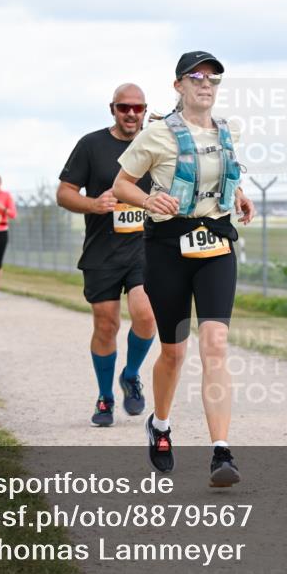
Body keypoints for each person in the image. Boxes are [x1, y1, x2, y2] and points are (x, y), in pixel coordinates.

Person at [113, 52, 255, 486]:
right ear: (179, 86)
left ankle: (221, 452)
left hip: (215, 243)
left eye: (213, 78)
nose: (206, 84)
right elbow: (120, 185)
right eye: (197, 77)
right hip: (167, 247)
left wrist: (241, 194)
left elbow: (217, 175)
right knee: (174, 351)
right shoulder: (157, 135)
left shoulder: (226, 131)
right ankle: (160, 424)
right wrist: (146, 199)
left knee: (214, 342)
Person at [58, 83, 157, 428]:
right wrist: (94, 205)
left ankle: (130, 375)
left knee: (146, 316)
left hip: (145, 249)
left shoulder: (156, 144)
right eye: (123, 107)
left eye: (138, 108)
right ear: (112, 109)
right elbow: (64, 193)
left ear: (146, 110)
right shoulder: (91, 145)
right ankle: (105, 396)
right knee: (106, 325)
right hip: (102, 251)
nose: (131, 114)